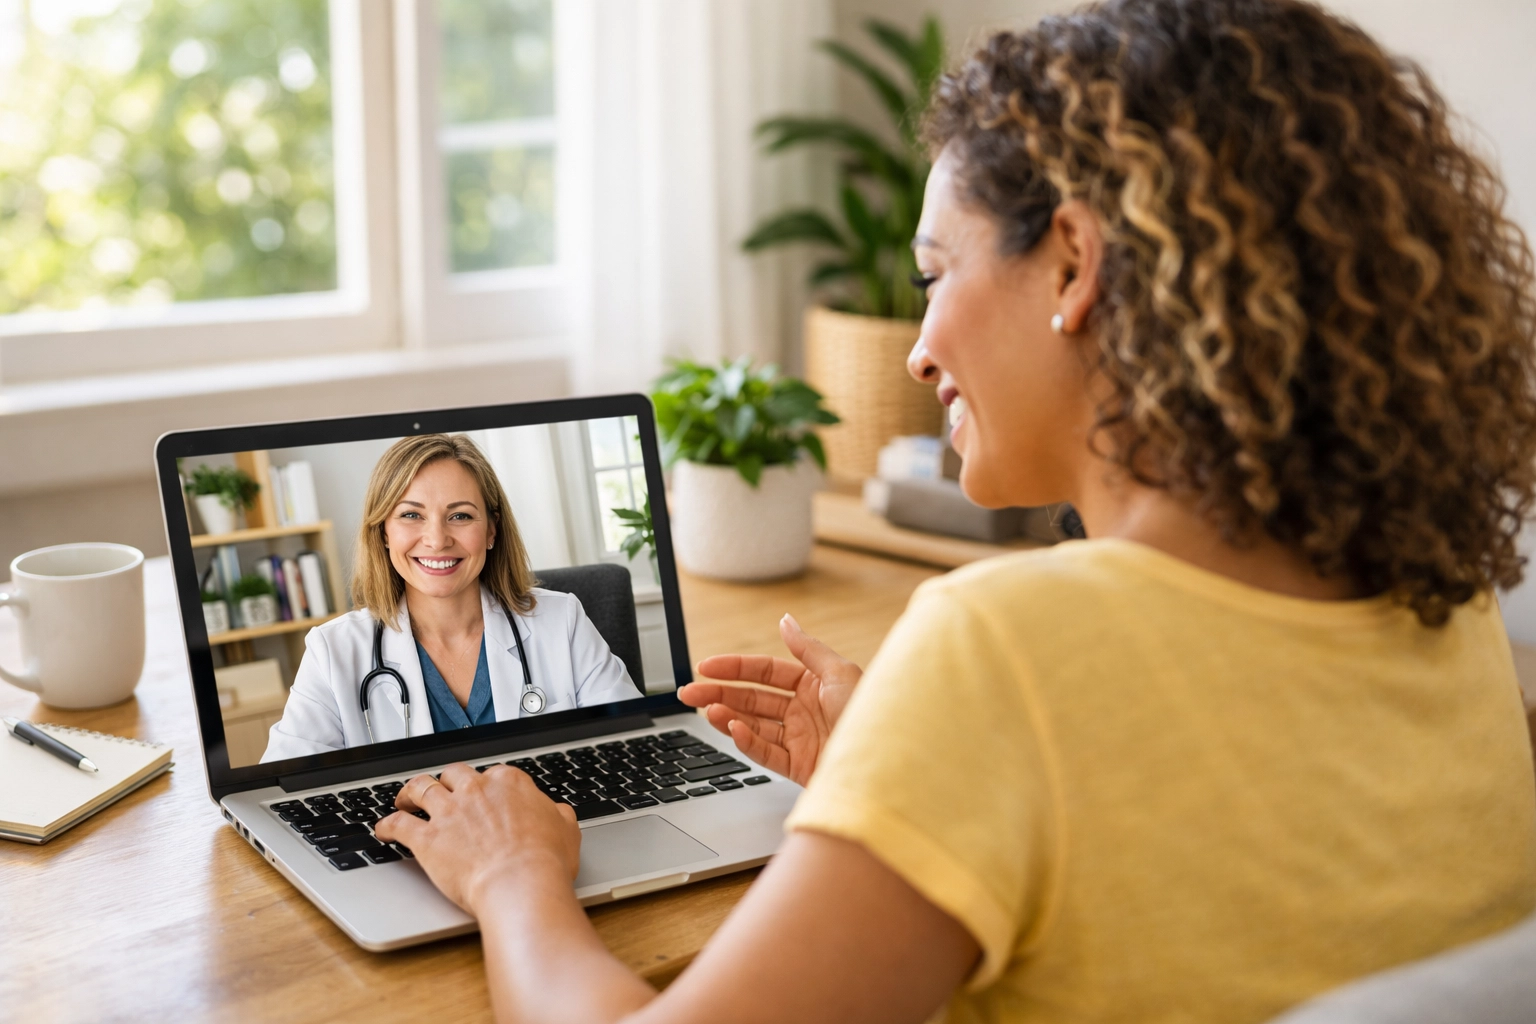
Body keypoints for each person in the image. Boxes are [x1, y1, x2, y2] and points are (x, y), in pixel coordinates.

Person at [374, 1, 1536, 1020]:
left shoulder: (1006, 647)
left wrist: (511, 874)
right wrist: (911, 778)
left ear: (1075, 265)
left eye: (935, 275)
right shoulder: (1451, 607)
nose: (921, 347)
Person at [262, 434, 637, 761]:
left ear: (491, 530)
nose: (437, 539)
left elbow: (634, 745)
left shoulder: (563, 621)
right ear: (383, 533)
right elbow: (284, 790)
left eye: (460, 516)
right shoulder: (333, 651)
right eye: (411, 515)